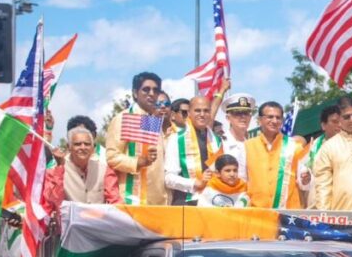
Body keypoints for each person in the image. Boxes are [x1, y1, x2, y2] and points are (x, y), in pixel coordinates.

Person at [105, 71, 168, 205]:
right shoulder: (124, 118)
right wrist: (137, 162)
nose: (151, 93)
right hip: (132, 197)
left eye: (155, 90)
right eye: (146, 89)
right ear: (135, 93)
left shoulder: (154, 120)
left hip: (157, 200)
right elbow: (111, 156)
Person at [244, 101, 308, 209]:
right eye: (270, 117)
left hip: (288, 214)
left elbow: (305, 183)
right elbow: (242, 180)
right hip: (256, 212)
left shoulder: (294, 147)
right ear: (260, 120)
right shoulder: (247, 146)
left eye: (278, 118)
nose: (274, 121)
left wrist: (307, 179)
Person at [164, 96, 224, 205]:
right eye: (197, 110)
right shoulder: (176, 139)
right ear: (189, 113)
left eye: (206, 111)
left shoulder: (217, 141)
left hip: (212, 201)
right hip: (186, 201)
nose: (202, 114)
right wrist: (195, 183)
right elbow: (168, 178)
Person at [44, 123, 119, 208]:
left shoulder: (104, 170)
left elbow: (115, 201)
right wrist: (60, 168)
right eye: (77, 144)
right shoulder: (55, 171)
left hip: (98, 220)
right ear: (69, 147)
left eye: (87, 144)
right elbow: (53, 202)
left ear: (93, 148)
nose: (83, 147)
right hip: (68, 220)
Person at [222, 93, 255, 184]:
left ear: (250, 117)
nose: (243, 117)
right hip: (225, 195)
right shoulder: (218, 143)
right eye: (237, 113)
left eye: (246, 113)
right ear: (228, 118)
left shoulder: (253, 146)